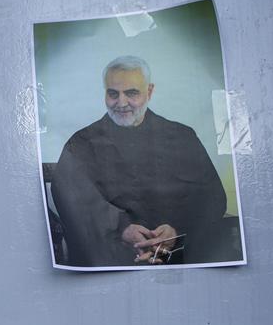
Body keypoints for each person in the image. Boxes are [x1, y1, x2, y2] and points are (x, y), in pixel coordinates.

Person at [50, 55, 229, 267]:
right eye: (113, 94)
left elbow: (212, 197)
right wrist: (121, 228)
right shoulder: (81, 143)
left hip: (175, 255)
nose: (121, 103)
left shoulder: (182, 136)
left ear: (149, 92)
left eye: (132, 93)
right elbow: (68, 196)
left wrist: (177, 230)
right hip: (111, 255)